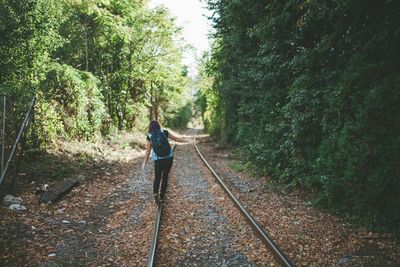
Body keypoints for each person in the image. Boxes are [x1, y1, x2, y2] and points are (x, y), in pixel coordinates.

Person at [142, 120, 187, 204]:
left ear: (150, 127)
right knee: (165, 177)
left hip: (158, 159)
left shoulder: (149, 136)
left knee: (157, 177)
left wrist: (144, 163)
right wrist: (185, 140)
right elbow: (176, 139)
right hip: (168, 158)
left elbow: (148, 151)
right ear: (158, 126)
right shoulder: (164, 132)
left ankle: (155, 193)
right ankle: (162, 197)